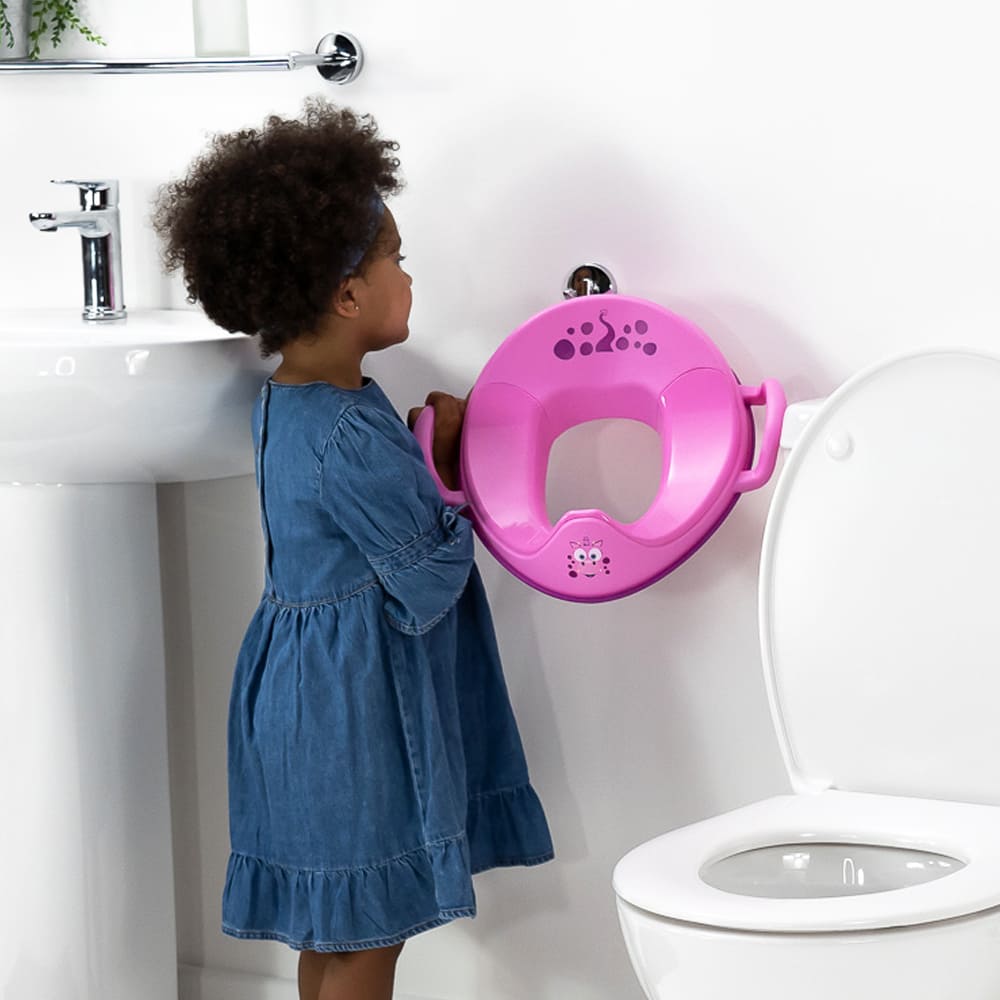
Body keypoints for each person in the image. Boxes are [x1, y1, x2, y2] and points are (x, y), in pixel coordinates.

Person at [152, 99, 554, 1000]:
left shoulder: (287, 405)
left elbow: (353, 523)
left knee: (333, 924)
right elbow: (429, 575)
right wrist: (449, 464)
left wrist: (414, 455)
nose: (408, 277)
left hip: (295, 693)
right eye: (396, 259)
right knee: (373, 936)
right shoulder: (350, 431)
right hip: (353, 707)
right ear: (346, 296)